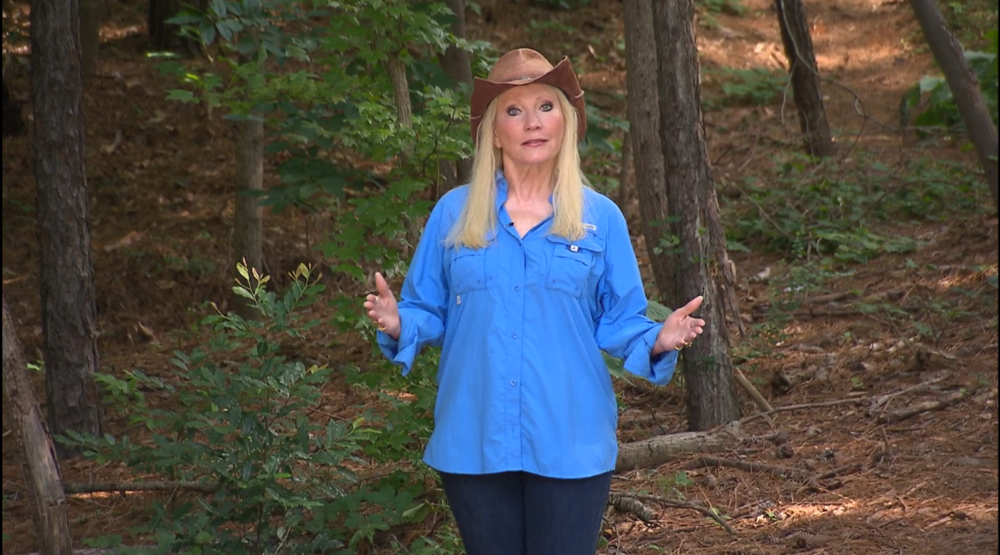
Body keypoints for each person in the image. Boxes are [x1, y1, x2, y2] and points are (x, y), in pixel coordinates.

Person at [363, 48, 706, 555]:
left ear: (566, 122)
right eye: (514, 110)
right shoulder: (453, 215)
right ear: (492, 130)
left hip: (571, 439)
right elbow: (426, 311)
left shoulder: (600, 218)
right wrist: (397, 323)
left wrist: (658, 338)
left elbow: (620, 320)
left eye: (546, 106)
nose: (532, 123)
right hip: (473, 436)